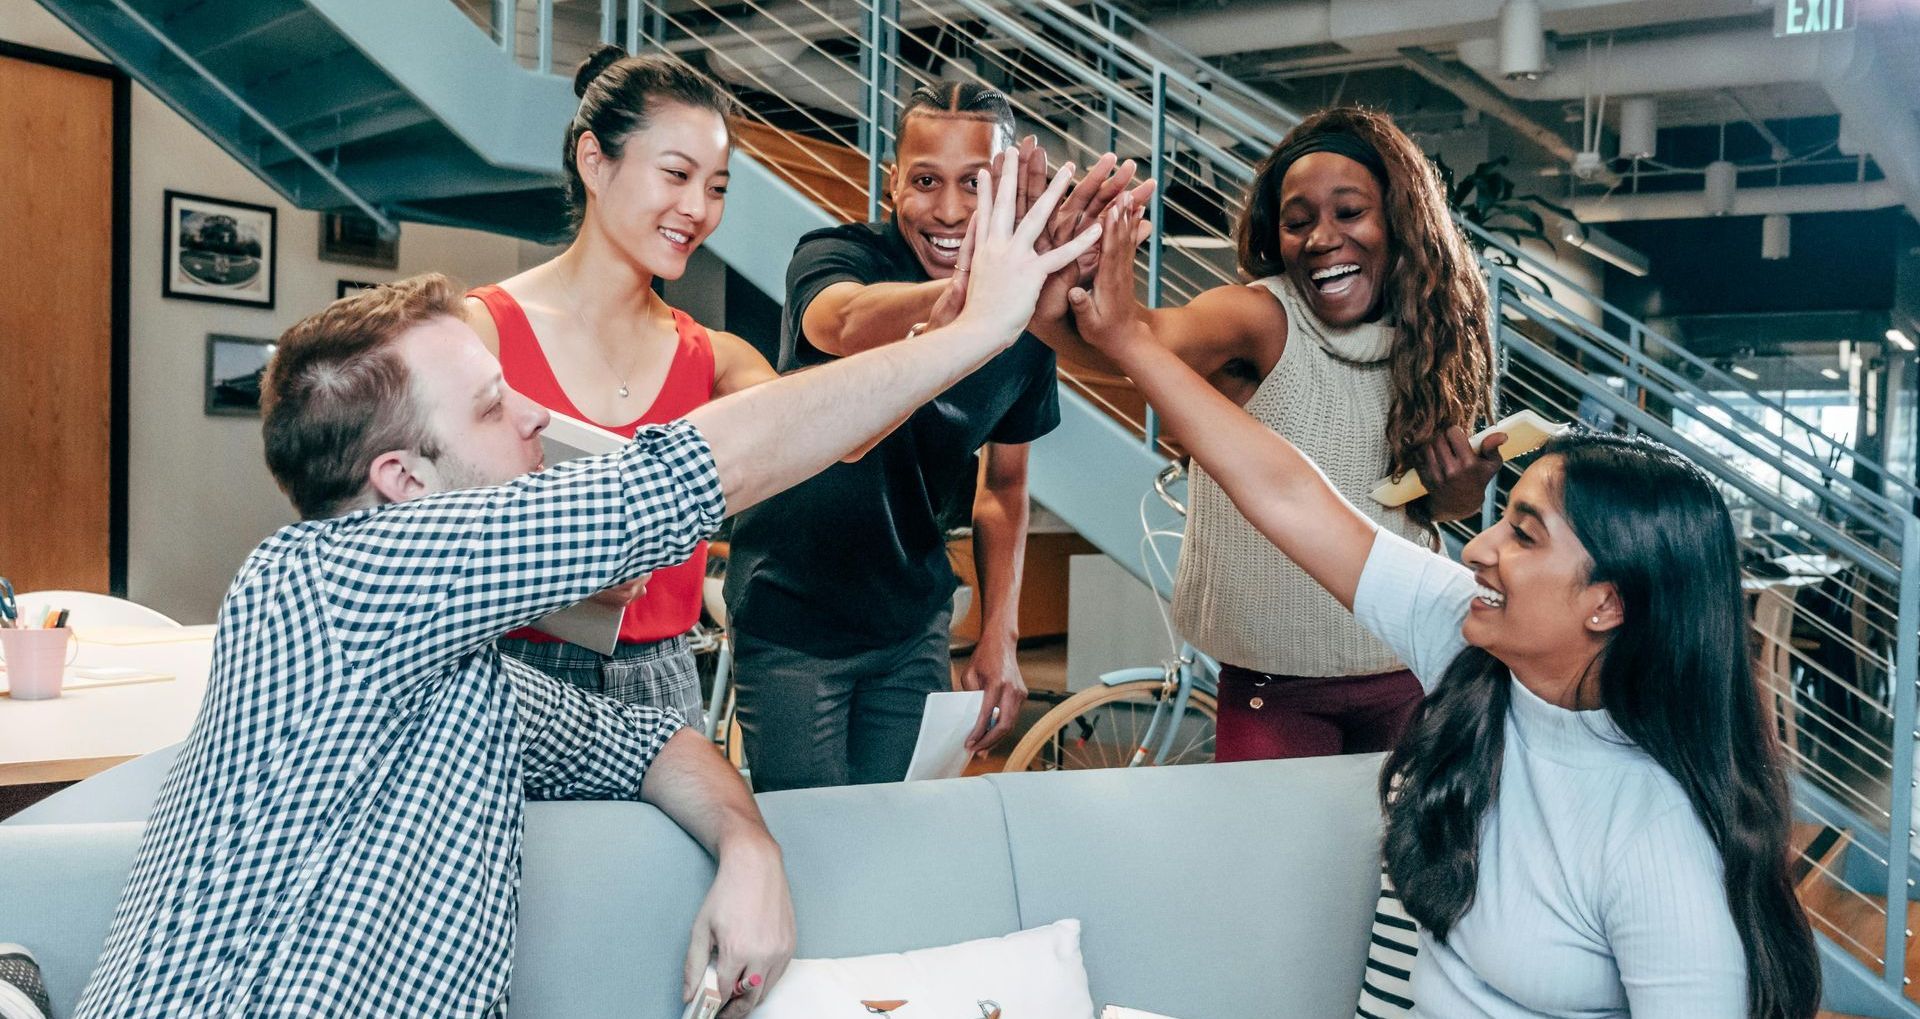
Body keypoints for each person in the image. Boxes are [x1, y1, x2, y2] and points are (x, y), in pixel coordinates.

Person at [74, 150, 1100, 1018]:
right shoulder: (328, 583)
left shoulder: (445, 670)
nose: (529, 417)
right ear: (402, 480)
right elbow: (688, 475)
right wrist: (974, 331)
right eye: (488, 406)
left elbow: (648, 740)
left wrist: (750, 844)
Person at [1067, 195, 1820, 1017]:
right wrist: (1128, 339)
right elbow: (1289, 495)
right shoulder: (1470, 647)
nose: (1476, 548)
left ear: (1607, 604)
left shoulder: (1657, 839)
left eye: (1524, 536)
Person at [1033, 107, 1500, 762]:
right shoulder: (1257, 316)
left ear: (1399, 222)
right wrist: (1060, 282)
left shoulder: (1431, 338)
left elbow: (1423, 511)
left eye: (1349, 212)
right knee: (1267, 863)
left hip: (1408, 668)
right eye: (1298, 220)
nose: (1321, 238)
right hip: (1274, 686)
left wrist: (1461, 493)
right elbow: (1137, 343)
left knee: (1396, 864)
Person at [721, 82, 1143, 791]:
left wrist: (1000, 635)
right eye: (925, 181)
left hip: (911, 624)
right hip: (793, 616)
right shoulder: (836, 255)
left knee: (895, 837)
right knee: (810, 843)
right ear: (893, 184)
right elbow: (844, 321)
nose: (948, 211)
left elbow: (1004, 488)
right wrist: (976, 301)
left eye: (976, 185)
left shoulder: (1025, 323)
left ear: (1011, 187)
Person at [464, 48, 778, 727]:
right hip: (511, 678)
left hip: (667, 681)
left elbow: (823, 436)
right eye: (676, 174)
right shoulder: (478, 333)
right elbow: (415, 533)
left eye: (717, 187)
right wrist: (566, 570)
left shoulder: (714, 358)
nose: (696, 209)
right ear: (594, 161)